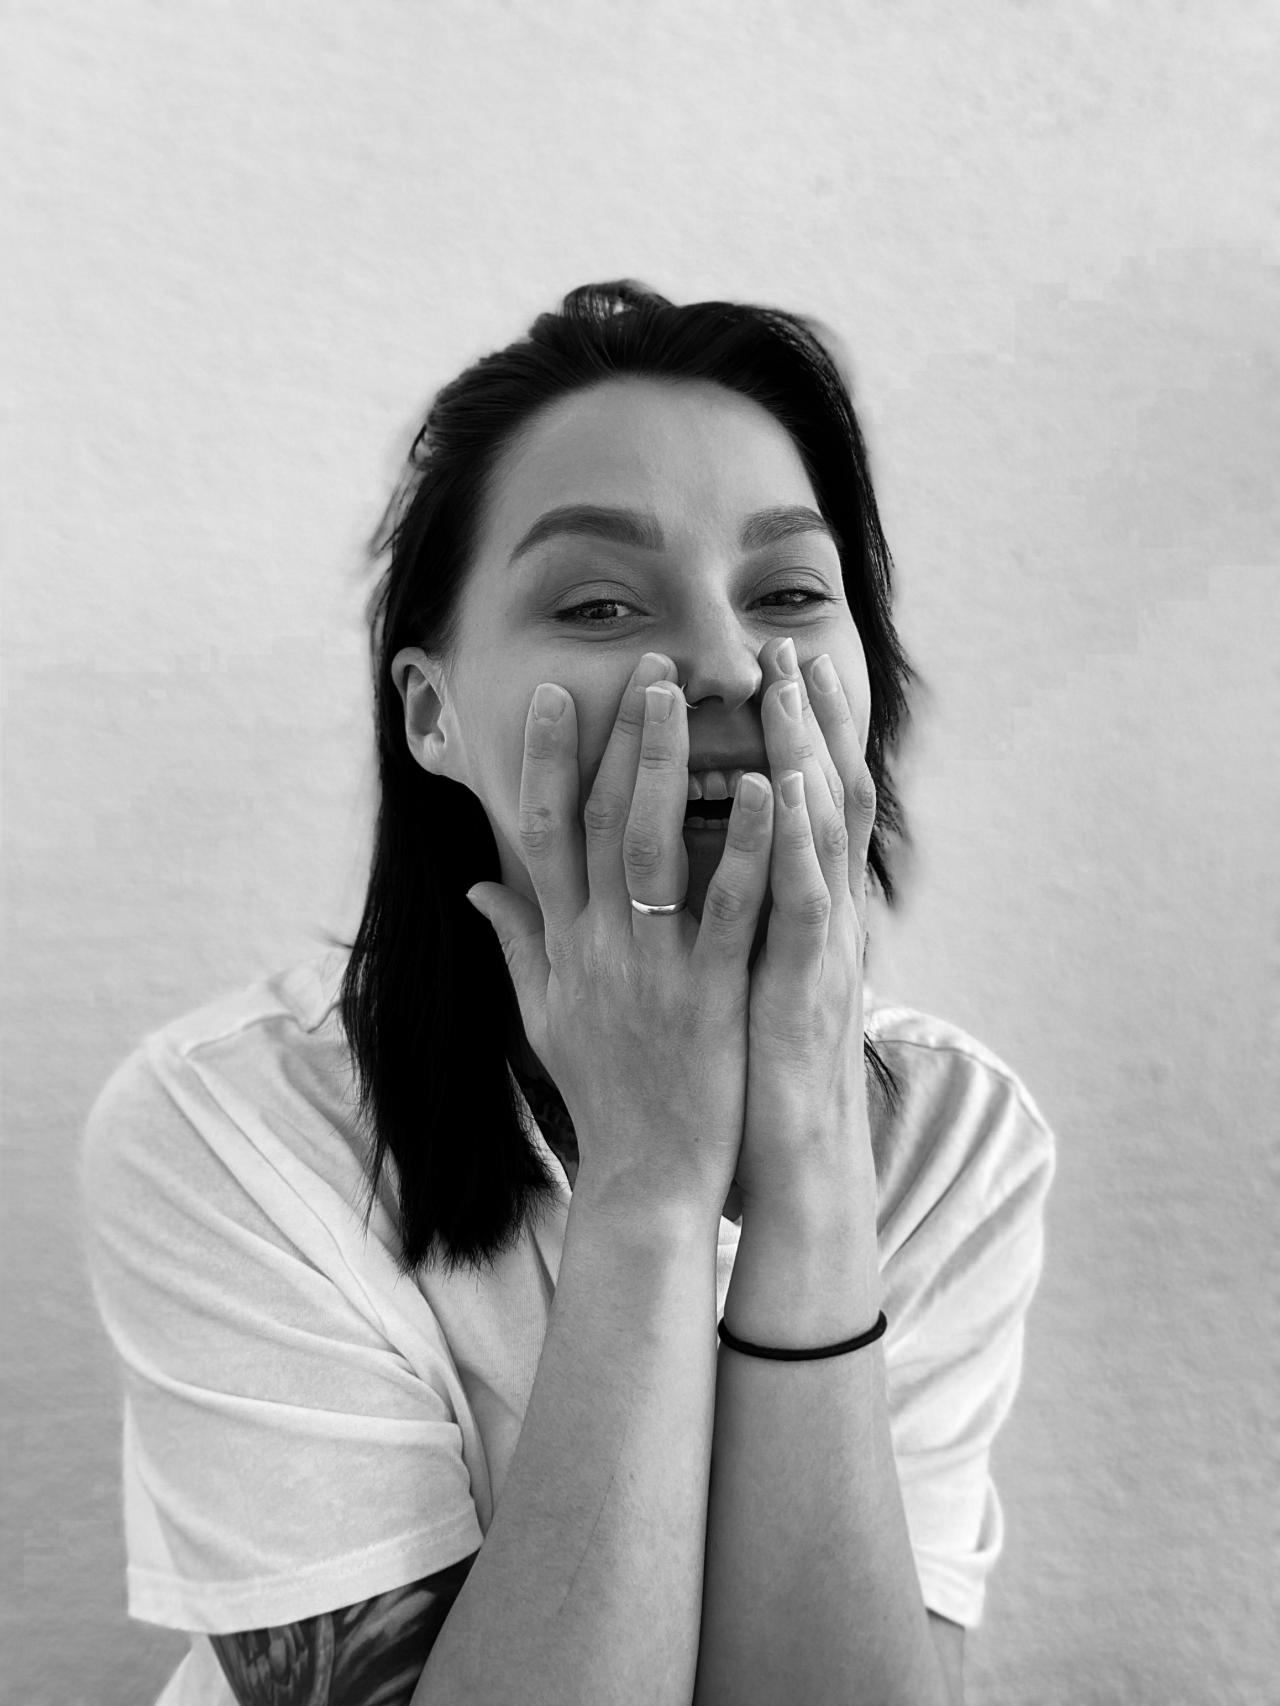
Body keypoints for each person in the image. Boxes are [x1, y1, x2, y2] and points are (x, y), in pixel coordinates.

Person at [81, 280, 1057, 1706]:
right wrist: (652, 1181)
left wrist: (811, 1170)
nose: (727, 663)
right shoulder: (227, 1128)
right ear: (432, 712)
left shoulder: (957, 1135)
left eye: (791, 593)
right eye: (599, 603)